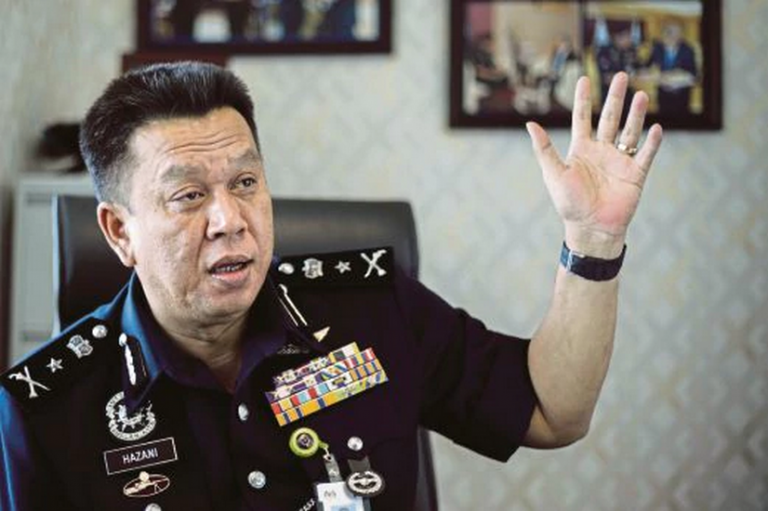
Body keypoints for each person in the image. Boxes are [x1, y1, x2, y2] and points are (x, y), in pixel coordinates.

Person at [0, 62, 662, 510]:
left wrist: (592, 240)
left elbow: (553, 411)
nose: (230, 220)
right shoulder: (45, 411)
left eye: (245, 183)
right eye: (189, 195)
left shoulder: (375, 311)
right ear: (120, 231)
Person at [645, 21, 697, 113]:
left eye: (677, 33)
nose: (674, 36)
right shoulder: (657, 48)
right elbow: (647, 66)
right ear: (664, 33)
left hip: (682, 93)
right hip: (663, 92)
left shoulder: (688, 49)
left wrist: (679, 74)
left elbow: (694, 74)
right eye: (670, 32)